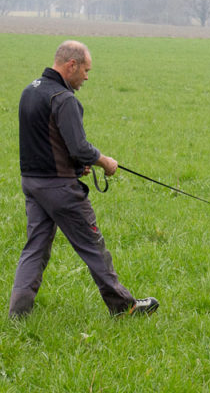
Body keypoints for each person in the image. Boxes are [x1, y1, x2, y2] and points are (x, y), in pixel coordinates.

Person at [9, 40, 158, 318]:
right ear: (71, 65)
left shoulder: (30, 91)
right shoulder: (63, 99)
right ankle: (124, 307)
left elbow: (46, 142)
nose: (87, 77)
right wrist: (104, 161)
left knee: (35, 249)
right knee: (93, 246)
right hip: (60, 189)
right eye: (86, 70)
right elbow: (79, 147)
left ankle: (17, 314)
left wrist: (77, 168)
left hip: (32, 183)